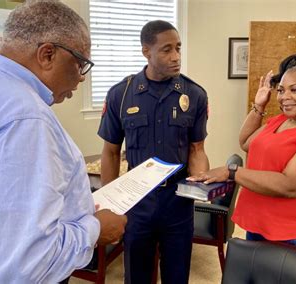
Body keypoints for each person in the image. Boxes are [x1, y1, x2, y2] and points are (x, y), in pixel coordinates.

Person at [0, 2, 127, 283]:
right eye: (80, 64)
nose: (80, 78)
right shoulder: (25, 118)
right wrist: (94, 230)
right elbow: (21, 266)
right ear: (47, 54)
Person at [188, 53, 296, 266]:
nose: (284, 96)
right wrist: (259, 105)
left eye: (294, 89)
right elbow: (246, 142)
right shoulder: (282, 121)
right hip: (259, 228)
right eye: (280, 90)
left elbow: (290, 185)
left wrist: (231, 172)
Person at [97, 20, 209, 283]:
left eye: (179, 48)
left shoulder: (194, 95)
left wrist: (201, 183)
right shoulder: (120, 95)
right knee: (137, 275)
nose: (176, 57)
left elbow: (197, 149)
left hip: (178, 201)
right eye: (167, 50)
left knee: (177, 276)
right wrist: (113, 205)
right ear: (146, 51)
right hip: (137, 204)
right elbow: (111, 153)